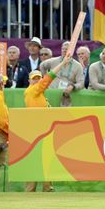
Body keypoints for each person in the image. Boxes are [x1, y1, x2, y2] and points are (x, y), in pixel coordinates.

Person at [23, 55, 72, 192]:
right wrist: (62, 64)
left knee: (41, 159)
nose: (38, 81)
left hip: (40, 128)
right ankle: (37, 187)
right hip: (38, 129)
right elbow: (49, 77)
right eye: (34, 79)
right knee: (40, 159)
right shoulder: (33, 90)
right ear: (29, 81)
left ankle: (42, 187)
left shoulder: (36, 93)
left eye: (38, 78)